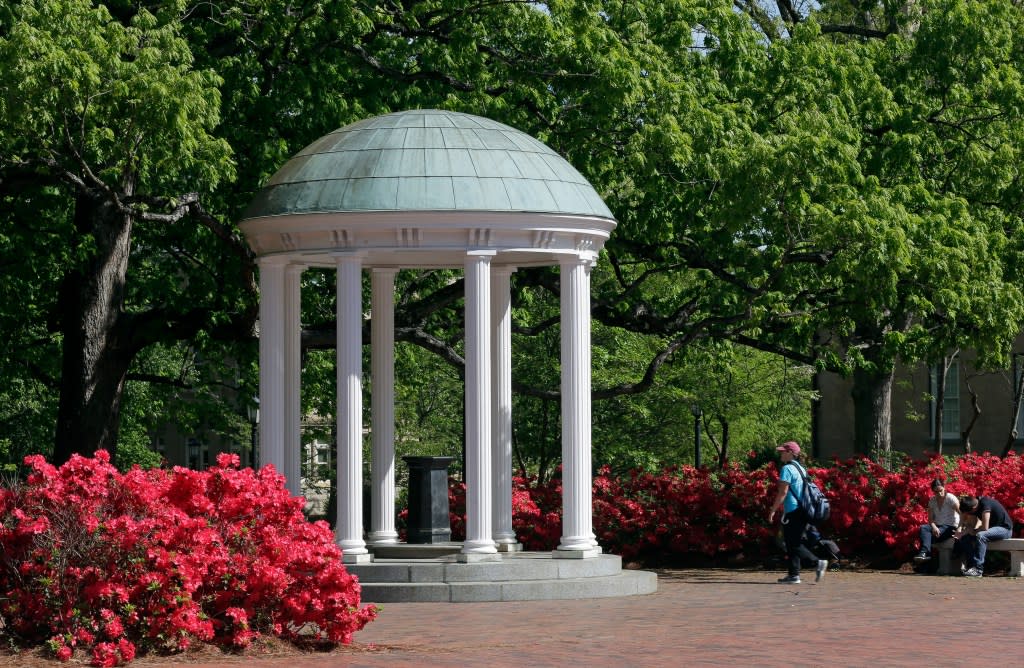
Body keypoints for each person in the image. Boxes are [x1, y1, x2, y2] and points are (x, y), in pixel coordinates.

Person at [768, 441, 825, 584]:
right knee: (793, 542)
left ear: (790, 453)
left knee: (792, 544)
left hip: (792, 510)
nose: (780, 453)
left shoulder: (787, 468)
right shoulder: (801, 468)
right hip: (803, 510)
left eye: (783, 451)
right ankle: (794, 575)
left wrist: (773, 510)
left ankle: (817, 562)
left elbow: (783, 492)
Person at [955, 494, 1014, 577]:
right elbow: (971, 525)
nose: (968, 515)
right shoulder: (974, 504)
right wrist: (962, 533)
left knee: (981, 535)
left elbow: (985, 528)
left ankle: (978, 569)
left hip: (1005, 529)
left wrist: (973, 531)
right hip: (992, 530)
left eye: (969, 513)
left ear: (973, 509)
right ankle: (972, 566)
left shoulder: (985, 504)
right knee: (966, 538)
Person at [912, 479, 959, 565]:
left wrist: (960, 528)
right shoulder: (932, 501)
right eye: (936, 492)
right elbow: (930, 519)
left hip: (950, 527)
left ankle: (925, 554)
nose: (939, 494)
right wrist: (934, 527)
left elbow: (961, 513)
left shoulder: (950, 498)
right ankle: (924, 553)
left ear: (944, 488)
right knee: (923, 528)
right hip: (937, 526)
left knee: (927, 537)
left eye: (941, 490)